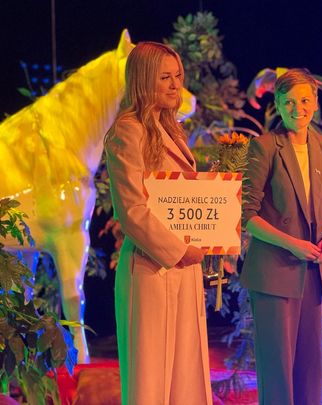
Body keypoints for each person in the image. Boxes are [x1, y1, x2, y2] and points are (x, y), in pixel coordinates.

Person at [105, 42, 212, 405]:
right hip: (151, 269)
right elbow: (132, 211)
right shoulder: (128, 130)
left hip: (184, 267)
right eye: (164, 77)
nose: (175, 85)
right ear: (142, 80)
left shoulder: (172, 130)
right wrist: (179, 250)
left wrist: (211, 229)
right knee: (150, 381)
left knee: (185, 376)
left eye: (177, 76)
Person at [241, 68, 322, 405]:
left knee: (311, 369)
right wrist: (292, 245)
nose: (298, 108)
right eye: (289, 102)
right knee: (277, 370)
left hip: (315, 272)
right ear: (279, 105)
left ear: (315, 102)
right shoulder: (265, 146)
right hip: (275, 273)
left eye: (304, 100)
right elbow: (247, 215)